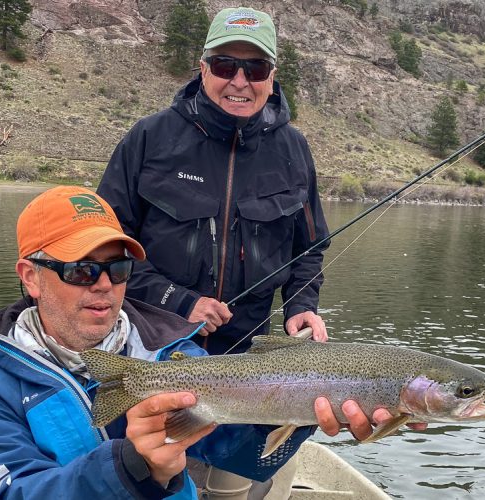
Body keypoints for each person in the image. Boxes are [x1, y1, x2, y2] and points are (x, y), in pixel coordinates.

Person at [0, 186, 410, 500]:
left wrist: (300, 409)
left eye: (118, 268)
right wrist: (130, 467)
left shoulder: (171, 354)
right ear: (31, 279)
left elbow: (241, 458)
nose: (104, 285)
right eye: (80, 269)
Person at [97, 6, 330, 355]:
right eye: (225, 65)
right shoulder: (150, 137)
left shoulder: (293, 149)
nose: (239, 81)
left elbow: (309, 250)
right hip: (149, 343)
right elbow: (105, 245)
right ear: (204, 69)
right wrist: (177, 301)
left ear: (271, 77)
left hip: (245, 358)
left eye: (256, 68)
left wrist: (301, 306)